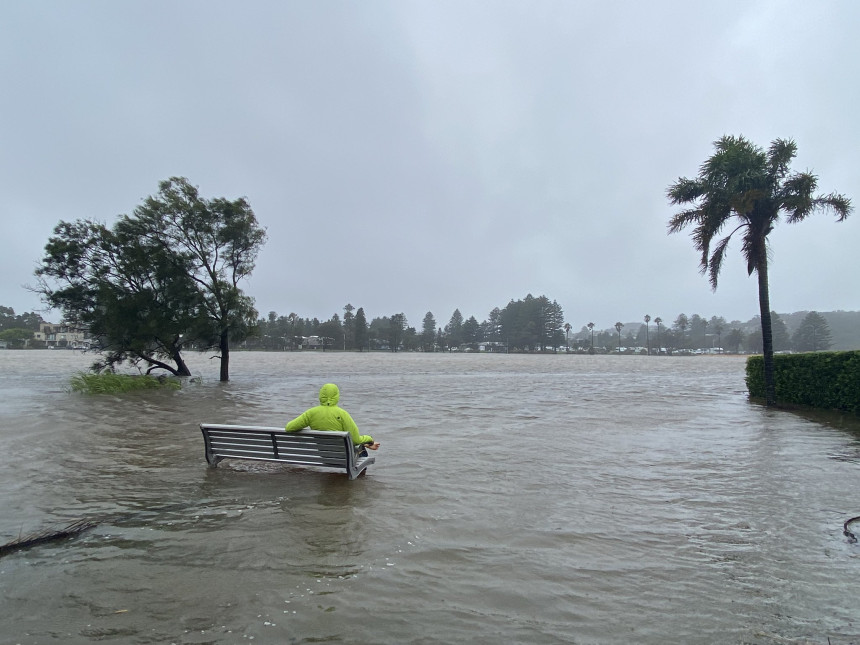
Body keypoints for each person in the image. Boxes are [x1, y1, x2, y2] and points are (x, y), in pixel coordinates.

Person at [285, 383, 380, 451]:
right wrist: (369, 439)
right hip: (343, 455)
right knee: (361, 450)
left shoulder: (311, 413)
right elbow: (355, 440)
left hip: (323, 454)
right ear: (337, 396)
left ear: (320, 396)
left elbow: (289, 428)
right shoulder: (342, 414)